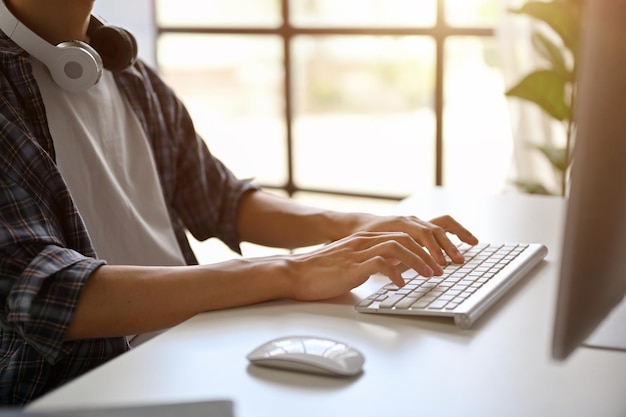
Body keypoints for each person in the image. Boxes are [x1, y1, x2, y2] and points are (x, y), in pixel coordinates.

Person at [0, 0, 479, 406]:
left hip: (185, 351)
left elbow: (219, 199)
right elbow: (45, 295)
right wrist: (292, 272)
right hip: (84, 393)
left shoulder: (124, 69)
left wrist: (355, 225)